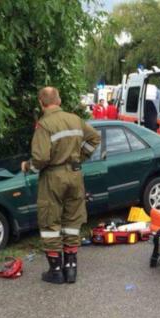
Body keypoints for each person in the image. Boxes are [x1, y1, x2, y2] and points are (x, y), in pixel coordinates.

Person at [21, 87, 100, 284]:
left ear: (41, 103)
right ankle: (71, 269)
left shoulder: (44, 124)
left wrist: (27, 166)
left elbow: (40, 159)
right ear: (60, 99)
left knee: (50, 223)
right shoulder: (74, 119)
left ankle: (55, 271)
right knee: (72, 221)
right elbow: (95, 138)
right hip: (75, 175)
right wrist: (81, 157)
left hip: (53, 177)